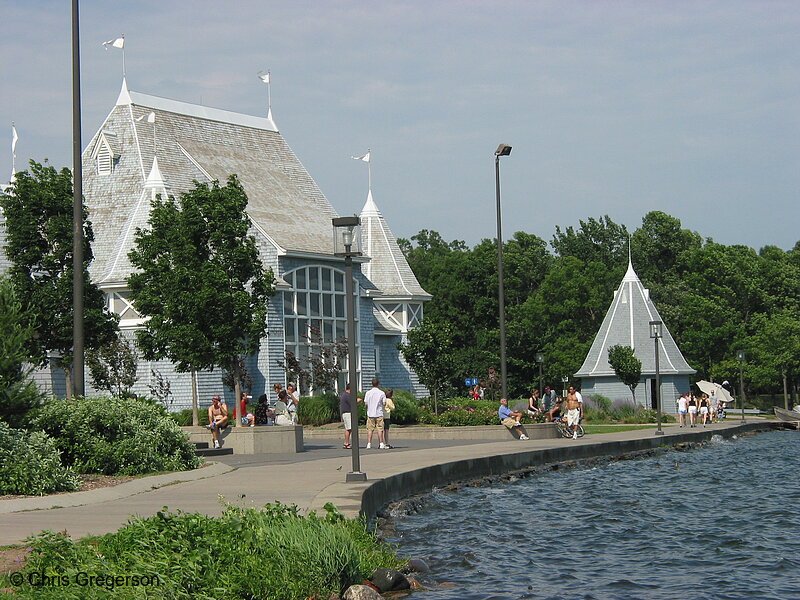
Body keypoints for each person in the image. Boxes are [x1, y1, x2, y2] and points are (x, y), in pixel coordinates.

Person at [364, 377, 388, 449]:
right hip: (378, 413)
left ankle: (369, 443)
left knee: (370, 429)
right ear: (378, 384)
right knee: (380, 429)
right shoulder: (381, 393)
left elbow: (366, 403)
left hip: (370, 413)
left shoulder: (368, 393)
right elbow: (384, 403)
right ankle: (381, 443)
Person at [339, 383, 362, 449]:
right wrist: (357, 400)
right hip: (347, 413)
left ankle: (346, 443)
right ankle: (346, 443)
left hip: (346, 413)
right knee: (349, 428)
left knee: (348, 429)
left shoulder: (344, 395)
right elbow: (352, 402)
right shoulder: (347, 395)